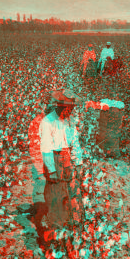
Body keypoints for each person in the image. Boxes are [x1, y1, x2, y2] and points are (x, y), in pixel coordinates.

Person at [39, 89, 84, 233]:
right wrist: (51, 169)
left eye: (72, 109)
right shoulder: (48, 122)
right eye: (68, 108)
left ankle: (71, 222)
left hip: (66, 157)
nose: (70, 111)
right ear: (60, 106)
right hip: (54, 157)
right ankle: (55, 223)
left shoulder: (70, 120)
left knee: (71, 190)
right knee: (54, 192)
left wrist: (78, 161)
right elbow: (46, 148)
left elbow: (75, 141)